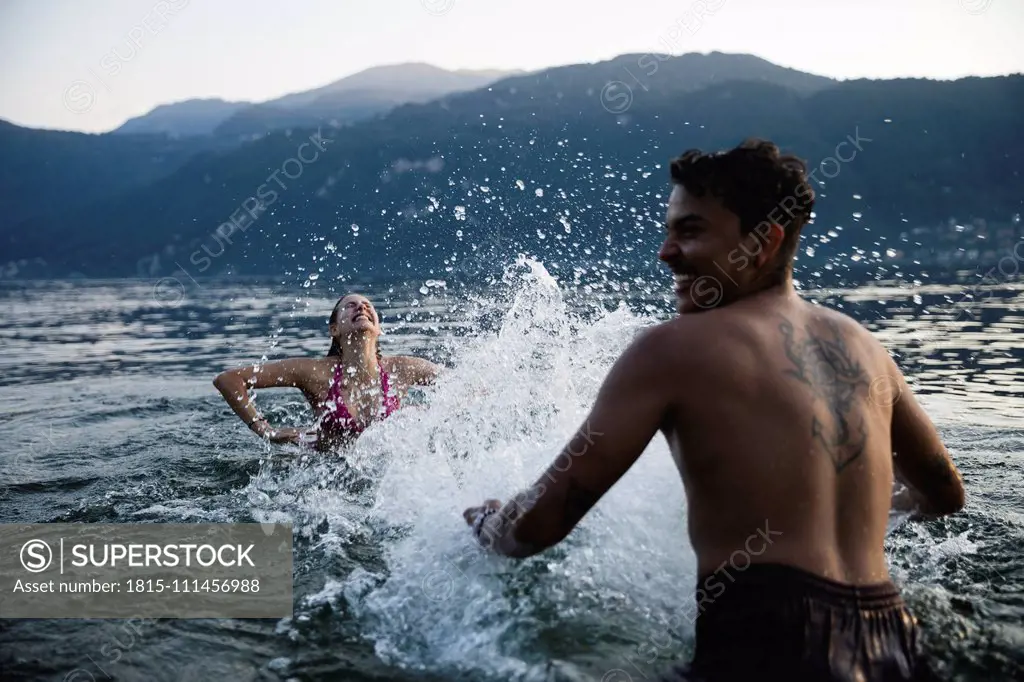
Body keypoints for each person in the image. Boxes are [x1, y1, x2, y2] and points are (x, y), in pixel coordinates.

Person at [462, 139, 965, 681]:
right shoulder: (863, 346)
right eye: (669, 230)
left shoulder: (674, 348)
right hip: (894, 642)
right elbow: (943, 494)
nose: (666, 251)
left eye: (691, 230)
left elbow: (539, 524)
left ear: (765, 241)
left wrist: (491, 522)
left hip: (769, 648)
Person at [214, 293, 440, 450]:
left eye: (367, 305)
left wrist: (429, 415)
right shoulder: (314, 372)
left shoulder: (403, 369)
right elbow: (229, 379)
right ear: (334, 329)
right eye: (351, 305)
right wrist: (264, 429)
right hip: (325, 471)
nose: (362, 307)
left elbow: (467, 382)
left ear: (378, 329)